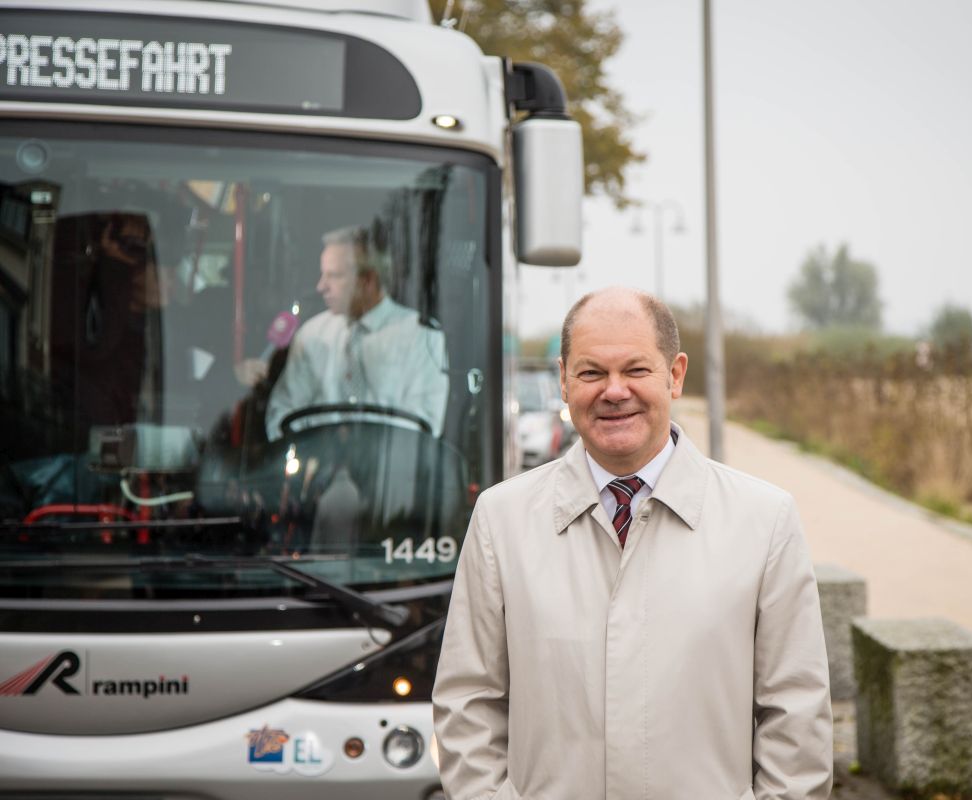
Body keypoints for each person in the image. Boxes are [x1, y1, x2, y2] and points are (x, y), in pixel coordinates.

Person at [432, 287, 832, 799]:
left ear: (676, 375)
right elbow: (468, 704)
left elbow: (796, 720)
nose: (614, 391)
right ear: (562, 380)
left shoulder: (765, 521)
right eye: (591, 372)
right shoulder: (501, 519)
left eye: (636, 370)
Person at [265, 225, 448, 440]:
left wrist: (364, 448)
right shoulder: (311, 335)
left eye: (334, 276)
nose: (320, 286)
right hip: (317, 466)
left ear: (368, 281)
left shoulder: (420, 337)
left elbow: (424, 424)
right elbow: (282, 411)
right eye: (322, 275)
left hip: (388, 470)